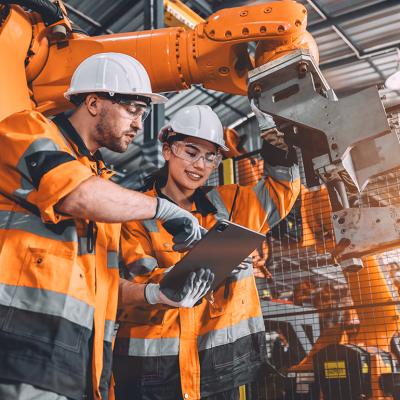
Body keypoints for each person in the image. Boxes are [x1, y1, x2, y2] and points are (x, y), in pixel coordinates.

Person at [0, 53, 212, 400]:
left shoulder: (104, 188)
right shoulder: (27, 130)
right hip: (19, 354)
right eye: (132, 110)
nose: (139, 125)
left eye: (143, 114)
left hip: (81, 367)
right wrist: (164, 209)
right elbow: (75, 194)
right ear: (94, 102)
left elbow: (109, 287)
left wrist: (156, 293)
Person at [114, 104, 301, 400]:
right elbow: (140, 282)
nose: (200, 164)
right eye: (190, 152)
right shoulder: (137, 213)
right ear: (167, 150)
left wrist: (276, 143)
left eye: (210, 156)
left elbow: (281, 191)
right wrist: (203, 266)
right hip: (151, 371)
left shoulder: (232, 204)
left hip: (219, 368)